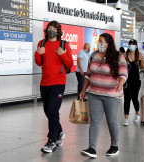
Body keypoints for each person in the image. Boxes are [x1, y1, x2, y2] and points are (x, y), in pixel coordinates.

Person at [80, 33, 128, 158]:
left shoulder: (118, 56)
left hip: (112, 95)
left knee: (111, 121)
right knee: (95, 121)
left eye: (101, 41)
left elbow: (123, 73)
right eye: (98, 41)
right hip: (95, 94)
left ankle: (114, 146)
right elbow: (88, 75)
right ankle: (92, 148)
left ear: (108, 43)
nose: (98, 44)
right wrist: (83, 90)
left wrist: (121, 83)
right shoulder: (94, 55)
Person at [35, 21, 73, 153]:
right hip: (44, 82)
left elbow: (69, 63)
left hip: (58, 83)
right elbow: (39, 62)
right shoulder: (42, 43)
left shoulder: (64, 44)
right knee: (48, 110)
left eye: (53, 28)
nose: (50, 30)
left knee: (52, 109)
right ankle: (60, 131)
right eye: (49, 28)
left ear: (58, 31)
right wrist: (37, 53)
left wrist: (62, 54)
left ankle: (51, 141)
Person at [123, 39, 144, 126]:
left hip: (136, 80)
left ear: (136, 46)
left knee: (134, 97)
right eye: (130, 44)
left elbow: (142, 65)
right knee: (127, 98)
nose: (131, 46)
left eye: (133, 44)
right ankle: (126, 118)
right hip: (126, 80)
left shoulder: (140, 55)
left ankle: (137, 113)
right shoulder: (124, 55)